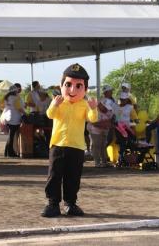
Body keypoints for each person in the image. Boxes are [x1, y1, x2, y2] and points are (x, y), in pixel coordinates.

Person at [41, 63, 98, 218]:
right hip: (58, 144)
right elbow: (50, 115)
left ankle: (70, 203)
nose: (73, 90)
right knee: (54, 175)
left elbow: (93, 118)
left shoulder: (85, 105)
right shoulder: (59, 102)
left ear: (85, 89)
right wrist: (54, 104)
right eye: (68, 85)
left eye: (78, 86)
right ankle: (53, 204)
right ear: (61, 86)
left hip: (77, 146)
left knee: (73, 176)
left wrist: (93, 108)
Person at [89, 86, 115, 168]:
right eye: (104, 107)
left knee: (103, 145)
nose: (106, 109)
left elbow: (110, 119)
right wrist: (104, 124)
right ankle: (97, 162)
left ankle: (104, 162)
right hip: (94, 129)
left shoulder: (109, 107)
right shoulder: (95, 109)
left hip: (104, 129)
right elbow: (93, 122)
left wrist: (106, 124)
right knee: (96, 145)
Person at [1, 85, 25, 157]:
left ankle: (7, 152)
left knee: (11, 136)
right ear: (15, 90)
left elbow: (1, 105)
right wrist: (25, 114)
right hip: (15, 118)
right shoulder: (15, 98)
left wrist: (8, 108)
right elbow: (19, 108)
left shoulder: (6, 97)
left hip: (8, 117)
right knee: (12, 136)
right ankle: (10, 153)